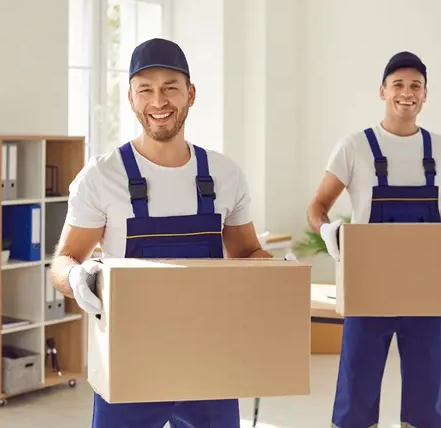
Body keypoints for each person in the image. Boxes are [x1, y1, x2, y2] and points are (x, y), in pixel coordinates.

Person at [50, 37, 277, 428]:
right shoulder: (101, 177)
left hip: (212, 359)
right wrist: (76, 277)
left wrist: (276, 272)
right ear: (131, 99)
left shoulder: (225, 175)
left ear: (190, 94)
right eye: (146, 90)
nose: (159, 101)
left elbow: (246, 253)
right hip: (131, 358)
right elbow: (64, 259)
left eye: (171, 88)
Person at [306, 51, 441, 428]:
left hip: (428, 288)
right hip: (367, 287)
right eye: (398, 84)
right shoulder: (355, 147)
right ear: (383, 91)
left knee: (427, 398)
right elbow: (317, 205)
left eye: (415, 85)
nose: (407, 92)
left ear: (425, 95)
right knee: (356, 393)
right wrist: (328, 230)